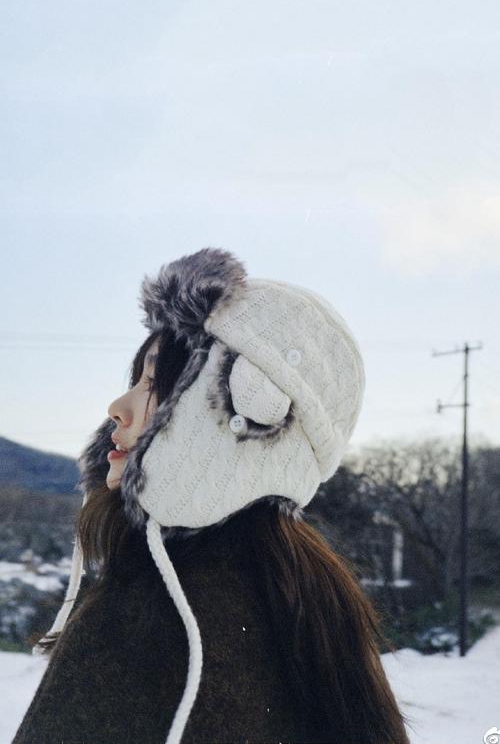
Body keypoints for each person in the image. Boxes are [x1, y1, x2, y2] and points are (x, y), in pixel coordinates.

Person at [14, 247, 413, 744]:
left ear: (239, 411)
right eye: (134, 380)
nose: (117, 407)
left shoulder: (152, 616)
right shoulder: (305, 598)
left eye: (158, 383)